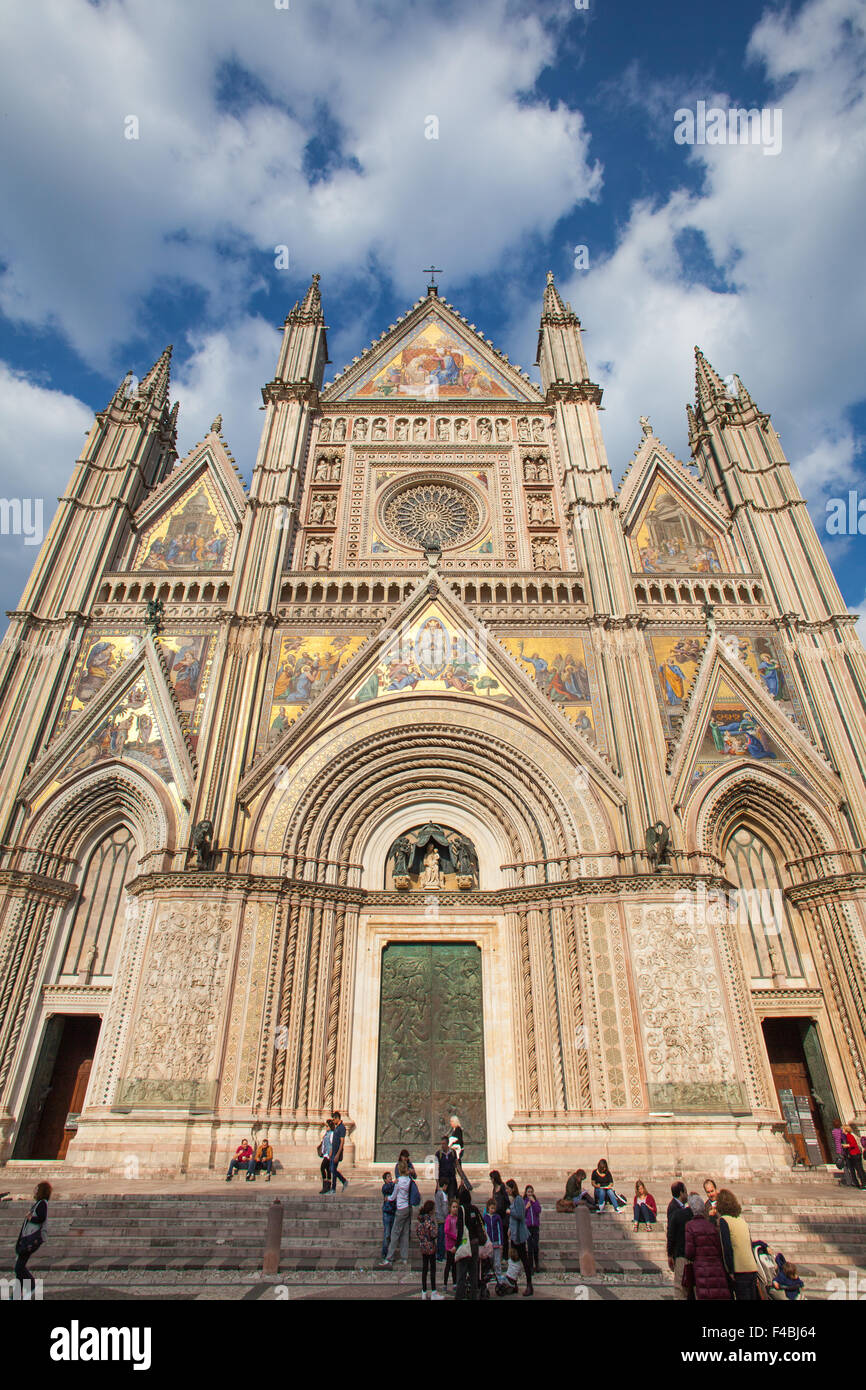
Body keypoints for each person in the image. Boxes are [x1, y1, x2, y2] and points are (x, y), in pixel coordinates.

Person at [683, 1194, 731, 1301]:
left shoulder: (690, 1226)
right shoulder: (711, 1225)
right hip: (716, 1267)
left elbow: (689, 1252)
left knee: (705, 1295)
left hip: (701, 1269)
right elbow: (719, 1248)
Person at [715, 1188, 760, 1301]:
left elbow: (727, 1248)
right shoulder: (741, 1220)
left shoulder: (724, 1221)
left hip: (739, 1269)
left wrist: (730, 1270)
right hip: (751, 1267)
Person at [14, 1180, 50, 1292]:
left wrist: (30, 1218)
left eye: (37, 1188)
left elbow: (41, 1218)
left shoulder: (42, 1203)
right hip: (27, 1238)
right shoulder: (39, 1203)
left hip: (30, 1239)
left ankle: (32, 1286)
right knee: (19, 1268)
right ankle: (16, 1295)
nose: (35, 1190)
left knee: (19, 1268)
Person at [380, 1158, 416, 1266]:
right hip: (408, 1208)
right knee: (405, 1233)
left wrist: (388, 1198)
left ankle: (389, 1257)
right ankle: (404, 1258)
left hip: (400, 1208)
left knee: (395, 1234)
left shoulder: (399, 1181)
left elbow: (393, 1196)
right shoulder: (409, 1181)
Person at [505, 1179, 534, 1296]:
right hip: (514, 1234)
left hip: (519, 1235)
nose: (506, 1190)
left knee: (524, 1259)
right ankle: (513, 1284)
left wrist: (509, 1212)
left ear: (512, 1189)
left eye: (507, 1188)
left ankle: (529, 1285)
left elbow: (520, 1215)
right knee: (514, 1258)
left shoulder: (518, 1200)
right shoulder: (513, 1200)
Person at [454, 1190, 484, 1301]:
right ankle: (473, 1296)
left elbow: (460, 1229)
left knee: (461, 1272)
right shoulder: (474, 1209)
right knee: (473, 1272)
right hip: (475, 1242)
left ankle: (459, 1296)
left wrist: (457, 1245)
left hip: (466, 1243)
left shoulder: (461, 1209)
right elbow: (482, 1223)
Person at [666, 1182, 693, 1299]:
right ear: (681, 1193)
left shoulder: (680, 1207)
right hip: (679, 1251)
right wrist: (670, 1253)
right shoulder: (674, 1208)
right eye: (685, 1191)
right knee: (680, 1285)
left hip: (683, 1250)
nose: (686, 1194)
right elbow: (671, 1232)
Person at [417, 1200, 442, 1300]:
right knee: (432, 1269)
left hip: (423, 1246)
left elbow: (418, 1232)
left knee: (424, 1269)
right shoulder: (429, 1220)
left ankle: (424, 1291)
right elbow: (434, 1233)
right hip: (430, 1246)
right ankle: (433, 1291)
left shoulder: (421, 1220)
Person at [484, 1198, 506, 1287]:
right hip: (489, 1243)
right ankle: (488, 1276)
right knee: (489, 1260)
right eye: (491, 1208)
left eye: (494, 1208)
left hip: (496, 1242)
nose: (493, 1210)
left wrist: (501, 1243)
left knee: (497, 1261)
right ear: (488, 1208)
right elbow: (484, 1230)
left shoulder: (497, 1217)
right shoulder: (485, 1217)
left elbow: (500, 1229)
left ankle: (499, 1276)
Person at [490, 1170, 511, 1261]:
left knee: (504, 1236)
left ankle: (505, 1255)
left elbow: (507, 1200)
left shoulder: (502, 1187)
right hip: (496, 1215)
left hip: (503, 1215)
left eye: (491, 1178)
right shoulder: (494, 1188)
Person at [443, 1197, 460, 1292]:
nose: (455, 1209)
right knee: (448, 1265)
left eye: (456, 1207)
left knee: (454, 1266)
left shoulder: (457, 1218)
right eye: (453, 1207)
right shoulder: (449, 1218)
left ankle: (455, 1283)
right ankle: (445, 1283)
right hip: (450, 1245)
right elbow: (446, 1231)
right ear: (450, 1208)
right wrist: (455, 1237)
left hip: (456, 1245)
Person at [329, 1111, 348, 1193]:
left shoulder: (342, 1128)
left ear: (337, 1118)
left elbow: (342, 1142)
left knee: (333, 1169)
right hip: (333, 1152)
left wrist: (338, 1154)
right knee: (332, 1169)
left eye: (334, 1119)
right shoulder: (337, 1127)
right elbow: (334, 1141)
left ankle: (334, 1188)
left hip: (337, 1152)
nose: (333, 1121)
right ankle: (342, 1182)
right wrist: (331, 1151)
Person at [524, 1185, 542, 1273]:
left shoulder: (536, 1201)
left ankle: (537, 1264)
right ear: (526, 1193)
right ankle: (530, 1266)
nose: (530, 1194)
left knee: (535, 1246)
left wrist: (534, 1202)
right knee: (530, 1247)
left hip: (535, 1226)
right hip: (528, 1226)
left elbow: (538, 1210)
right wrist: (526, 1207)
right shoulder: (524, 1202)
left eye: (531, 1192)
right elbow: (522, 1213)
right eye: (528, 1192)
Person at [381, 1172, 396, 1259]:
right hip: (387, 1212)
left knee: (391, 1234)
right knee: (387, 1234)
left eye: (390, 1176)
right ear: (385, 1180)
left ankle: (390, 1253)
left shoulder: (394, 1186)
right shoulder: (385, 1187)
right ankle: (385, 1253)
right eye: (388, 1177)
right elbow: (386, 1189)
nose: (390, 1178)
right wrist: (393, 1183)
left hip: (393, 1212)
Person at [434, 1179, 449, 1261]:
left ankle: (439, 1254)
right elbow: (444, 1207)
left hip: (438, 1217)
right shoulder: (442, 1194)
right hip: (442, 1218)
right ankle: (441, 1255)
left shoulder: (437, 1194)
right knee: (441, 1238)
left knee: (440, 1237)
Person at [318, 1119, 334, 1193]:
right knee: (327, 1169)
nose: (326, 1128)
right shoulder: (326, 1134)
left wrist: (330, 1153)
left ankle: (326, 1185)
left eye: (327, 1126)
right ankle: (326, 1186)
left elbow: (332, 1144)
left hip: (328, 1155)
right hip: (325, 1154)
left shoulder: (332, 1134)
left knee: (322, 1168)